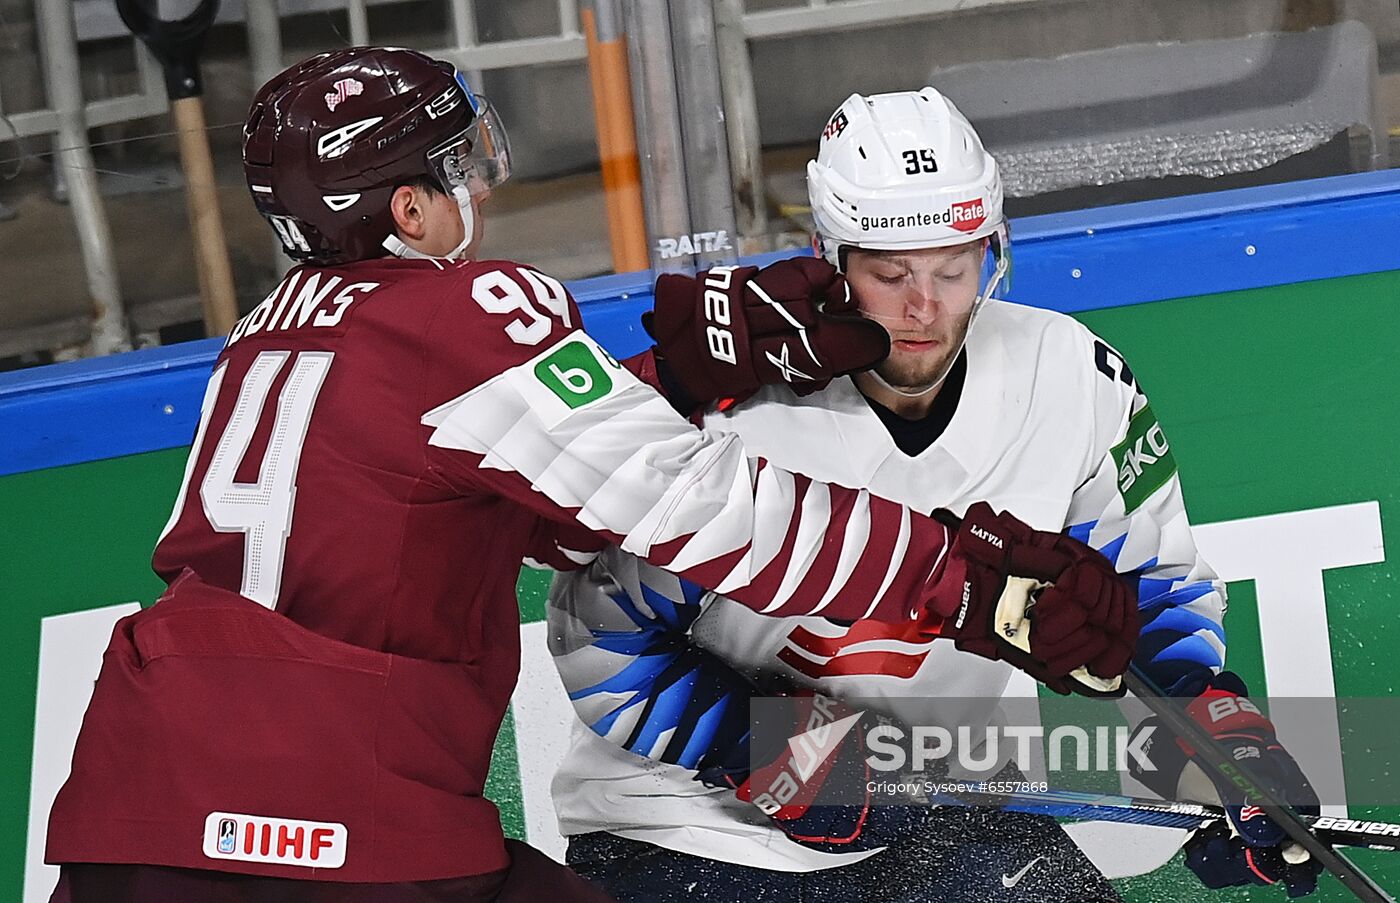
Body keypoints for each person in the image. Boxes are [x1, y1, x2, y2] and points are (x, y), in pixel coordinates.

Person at [42, 49, 1139, 903]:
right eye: (458, 166)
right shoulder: (457, 314)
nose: (480, 184)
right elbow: (702, 508)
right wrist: (967, 582)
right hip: (329, 829)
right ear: (408, 211)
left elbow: (540, 505)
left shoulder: (268, 338)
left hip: (134, 813)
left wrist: (691, 371)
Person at [547, 87, 1323, 901]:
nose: (925, 308)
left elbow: (1147, 596)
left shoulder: (1070, 376)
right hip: (682, 830)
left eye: (954, 269)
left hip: (936, 807)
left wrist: (1222, 744)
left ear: (994, 249)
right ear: (830, 256)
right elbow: (597, 638)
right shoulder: (741, 408)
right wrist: (760, 745)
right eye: (890, 274)